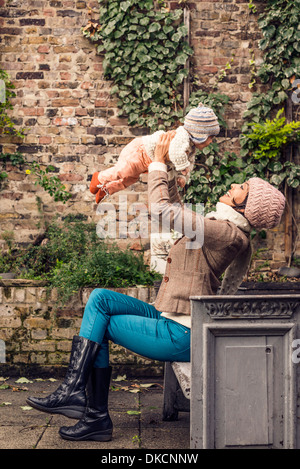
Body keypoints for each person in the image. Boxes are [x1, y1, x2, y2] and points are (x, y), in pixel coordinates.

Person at [26, 121, 286, 442]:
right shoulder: (222, 227)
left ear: (248, 207)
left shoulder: (226, 234)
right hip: (169, 314)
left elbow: (163, 210)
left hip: (180, 333)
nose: (234, 186)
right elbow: (176, 210)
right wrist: (170, 171)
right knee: (100, 299)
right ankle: (74, 393)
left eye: (241, 188)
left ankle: (92, 413)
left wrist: (158, 165)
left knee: (99, 325)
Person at [89, 104, 220, 203]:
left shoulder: (191, 148)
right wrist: (183, 168)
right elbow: (175, 153)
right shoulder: (181, 137)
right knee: (122, 172)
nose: (211, 141)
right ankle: (99, 178)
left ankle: (107, 189)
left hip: (147, 162)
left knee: (130, 179)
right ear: (199, 134)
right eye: (210, 137)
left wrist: (182, 176)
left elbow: (189, 162)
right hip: (139, 152)